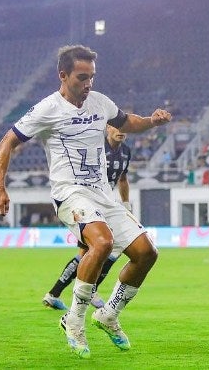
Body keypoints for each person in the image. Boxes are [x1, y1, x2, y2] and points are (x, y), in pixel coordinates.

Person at [0, 45, 171, 359]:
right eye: (82, 77)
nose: (89, 84)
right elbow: (8, 141)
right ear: (63, 75)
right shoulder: (48, 109)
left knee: (146, 253)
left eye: (92, 77)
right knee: (101, 243)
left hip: (102, 193)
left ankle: (109, 314)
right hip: (69, 193)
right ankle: (74, 320)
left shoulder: (100, 103)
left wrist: (152, 121)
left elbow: (128, 122)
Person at [42, 125, 133, 311]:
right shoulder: (97, 147)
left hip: (107, 205)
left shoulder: (126, 152)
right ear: (108, 128)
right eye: (117, 127)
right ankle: (90, 290)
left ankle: (54, 294)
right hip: (88, 204)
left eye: (125, 127)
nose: (121, 131)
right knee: (101, 250)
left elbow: (123, 179)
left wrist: (126, 204)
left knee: (94, 252)